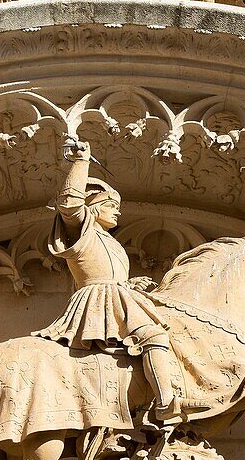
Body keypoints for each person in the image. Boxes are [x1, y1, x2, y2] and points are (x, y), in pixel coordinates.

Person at [34, 138, 181, 425]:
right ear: (93, 209)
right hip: (97, 299)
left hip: (117, 295)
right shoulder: (83, 231)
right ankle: (165, 402)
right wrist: (80, 163)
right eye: (111, 205)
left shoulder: (110, 242)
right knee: (154, 337)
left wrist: (129, 285)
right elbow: (69, 205)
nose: (118, 211)